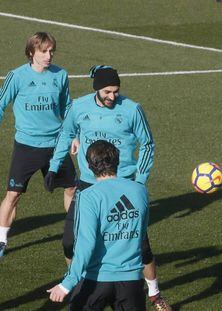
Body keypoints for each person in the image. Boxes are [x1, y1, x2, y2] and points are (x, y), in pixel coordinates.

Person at [45, 65, 171, 311]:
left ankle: (155, 294)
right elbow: (66, 134)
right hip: (88, 186)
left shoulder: (132, 109)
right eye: (107, 92)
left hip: (124, 185)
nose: (112, 96)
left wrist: (139, 181)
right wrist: (53, 166)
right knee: (70, 243)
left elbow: (148, 144)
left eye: (116, 91)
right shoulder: (79, 108)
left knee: (140, 247)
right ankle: (82, 282)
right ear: (96, 89)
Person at [0, 32, 77, 257]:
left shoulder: (60, 75)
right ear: (31, 52)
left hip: (56, 144)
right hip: (27, 146)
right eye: (44, 51)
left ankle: (76, 231)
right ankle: (2, 239)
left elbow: (67, 107)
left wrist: (74, 135)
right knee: (13, 194)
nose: (49, 55)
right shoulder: (17, 76)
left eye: (51, 51)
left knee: (72, 188)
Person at [47, 140, 149, 310]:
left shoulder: (88, 196)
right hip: (131, 281)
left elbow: (85, 243)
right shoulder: (140, 190)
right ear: (117, 161)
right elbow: (141, 231)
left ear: (89, 165)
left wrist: (67, 283)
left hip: (96, 280)